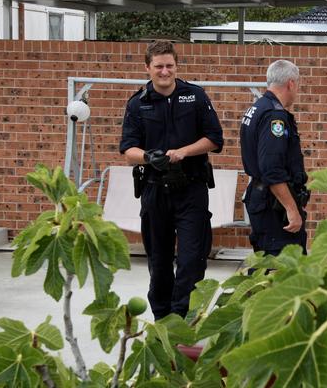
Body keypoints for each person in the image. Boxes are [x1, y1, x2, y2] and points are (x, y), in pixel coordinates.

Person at [120, 39, 224, 320]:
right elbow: (128, 150)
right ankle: (163, 319)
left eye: (169, 66)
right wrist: (149, 157)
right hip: (155, 193)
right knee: (159, 263)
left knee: (192, 260)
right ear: (147, 68)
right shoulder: (137, 104)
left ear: (177, 66)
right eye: (158, 66)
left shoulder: (196, 96)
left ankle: (183, 319)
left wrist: (184, 152)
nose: (164, 71)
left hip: (191, 189)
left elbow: (215, 139)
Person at [240, 59, 309, 256]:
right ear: (291, 83)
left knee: (268, 265)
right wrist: (292, 209)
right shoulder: (274, 116)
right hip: (273, 207)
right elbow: (272, 169)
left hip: (263, 199)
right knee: (282, 270)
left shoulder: (258, 108)